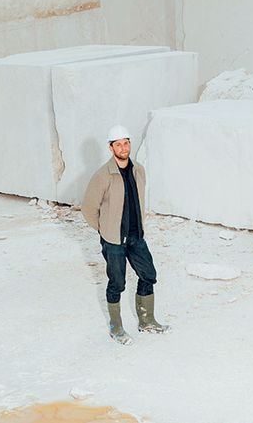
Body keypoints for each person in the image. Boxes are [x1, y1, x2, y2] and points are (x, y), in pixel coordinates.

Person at [81, 124, 169, 344]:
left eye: (126, 143)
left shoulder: (138, 169)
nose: (123, 148)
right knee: (117, 283)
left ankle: (147, 320)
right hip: (114, 241)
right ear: (111, 148)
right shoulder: (103, 175)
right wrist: (105, 229)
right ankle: (116, 327)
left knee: (148, 274)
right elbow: (89, 208)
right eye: (118, 144)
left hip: (136, 237)